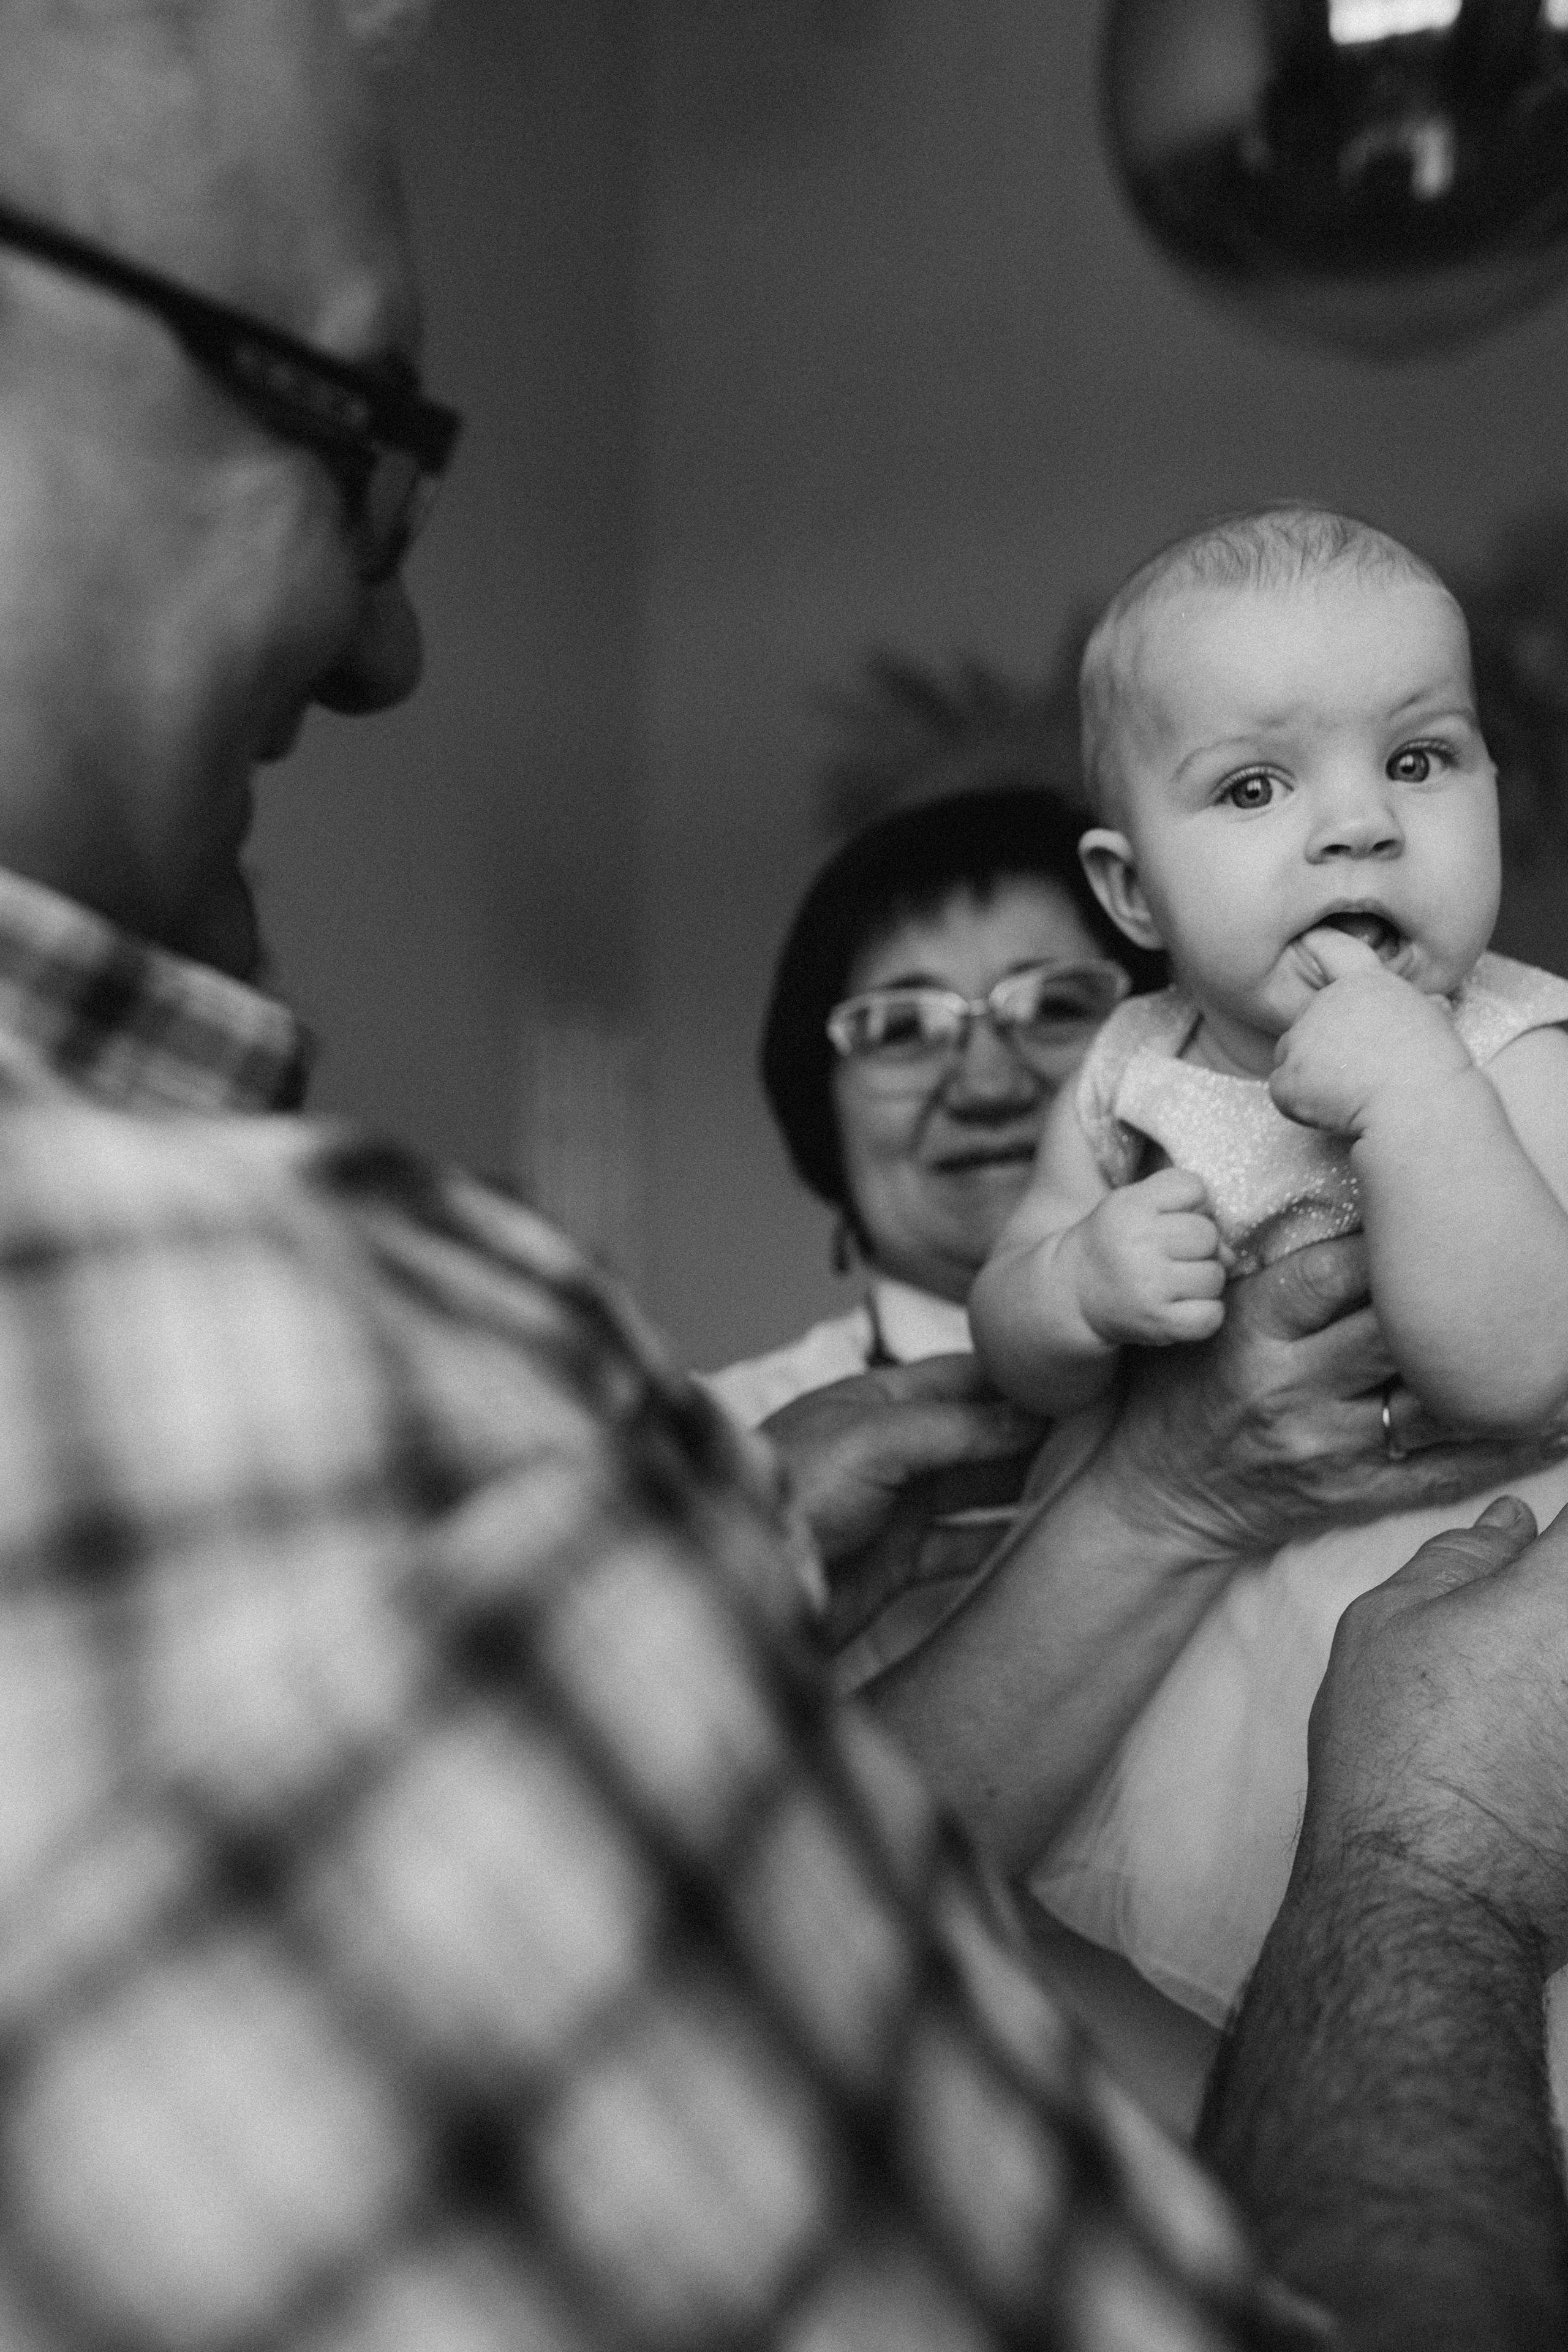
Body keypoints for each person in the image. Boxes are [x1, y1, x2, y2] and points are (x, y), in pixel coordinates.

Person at [0, 7, 1563, 2346]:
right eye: (351, 431)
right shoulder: (293, 1348)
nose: (402, 639)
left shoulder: (1520, 1042)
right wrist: (1421, 1852)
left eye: (1418, 759)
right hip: (1286, 1848)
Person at [967, 503, 1568, 2039]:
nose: (1359, 824)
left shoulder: (1519, 1050)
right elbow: (1010, 1342)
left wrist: (1419, 1097)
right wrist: (1078, 1283)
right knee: (1208, 2049)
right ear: (1128, 893)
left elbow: (1511, 1368)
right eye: (1251, 786)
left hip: (1477, 1648)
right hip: (1201, 1685)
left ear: (1494, 790)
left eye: (1419, 760)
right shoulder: (1126, 1073)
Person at [709, 781, 1162, 1677]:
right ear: (820, 1107)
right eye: (904, 1029)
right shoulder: (715, 1459)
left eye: (1057, 1005)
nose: (987, 1084)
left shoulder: (1302, 1387)